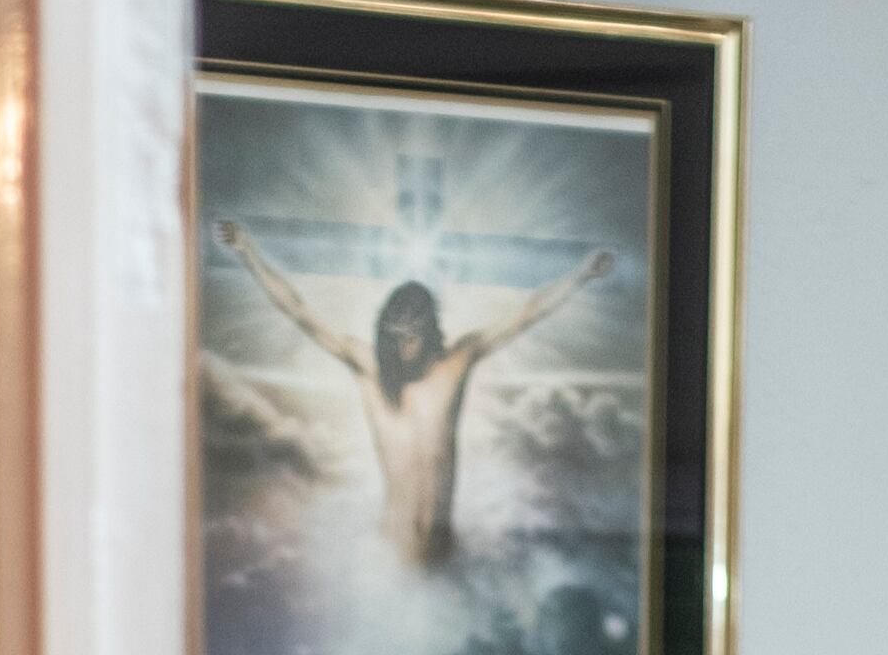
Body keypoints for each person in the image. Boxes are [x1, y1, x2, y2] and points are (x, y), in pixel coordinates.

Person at [214, 217, 613, 566]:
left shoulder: (456, 362)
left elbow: (528, 313)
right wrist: (248, 251)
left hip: (446, 551)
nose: (406, 342)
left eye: (415, 332)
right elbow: (298, 312)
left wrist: (581, 274)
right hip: (391, 555)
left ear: (429, 330)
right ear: (386, 332)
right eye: (398, 333)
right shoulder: (367, 366)